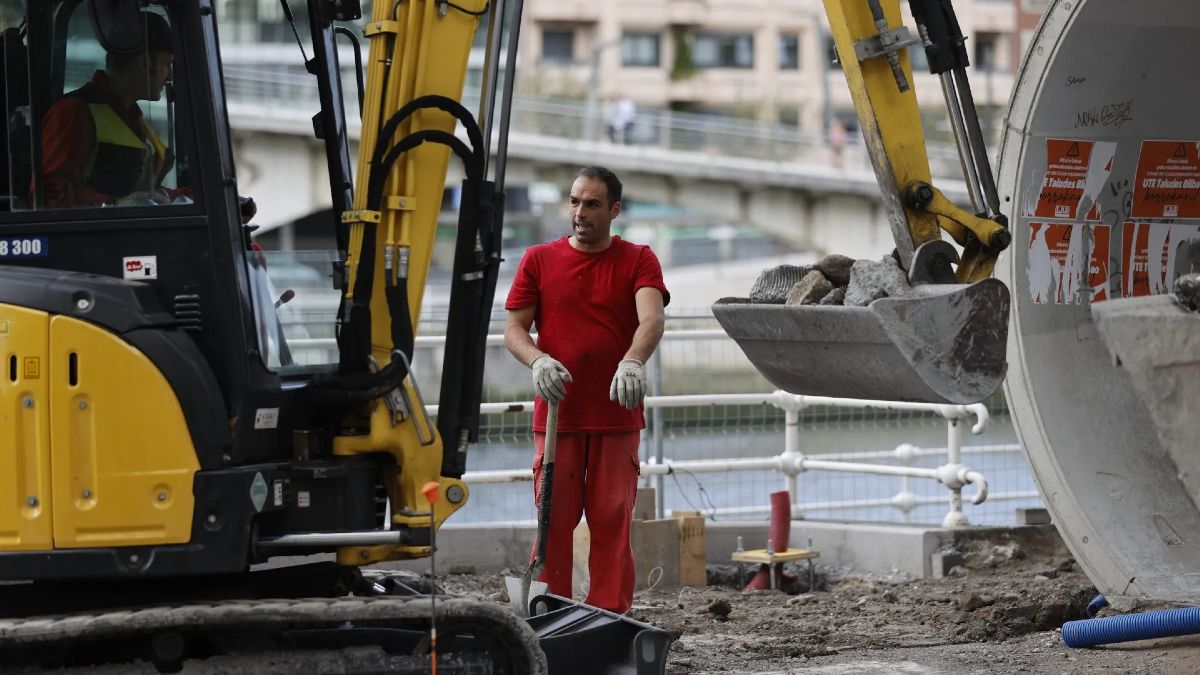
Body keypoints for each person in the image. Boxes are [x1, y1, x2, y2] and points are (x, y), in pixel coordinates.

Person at [504, 166, 669, 614]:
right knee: (553, 522)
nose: (580, 212)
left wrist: (633, 359)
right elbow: (515, 329)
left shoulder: (638, 259)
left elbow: (651, 318)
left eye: (592, 204)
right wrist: (537, 359)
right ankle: (550, 612)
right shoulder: (539, 259)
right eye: (575, 201)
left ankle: (609, 615)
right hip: (558, 417)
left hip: (616, 416)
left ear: (614, 210)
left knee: (612, 520)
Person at [41, 11, 177, 208]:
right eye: (168, 64)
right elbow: (47, 198)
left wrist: (204, 199)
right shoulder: (72, 113)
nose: (170, 76)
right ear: (146, 62)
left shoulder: (131, 117)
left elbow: (144, 194)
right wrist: (113, 204)